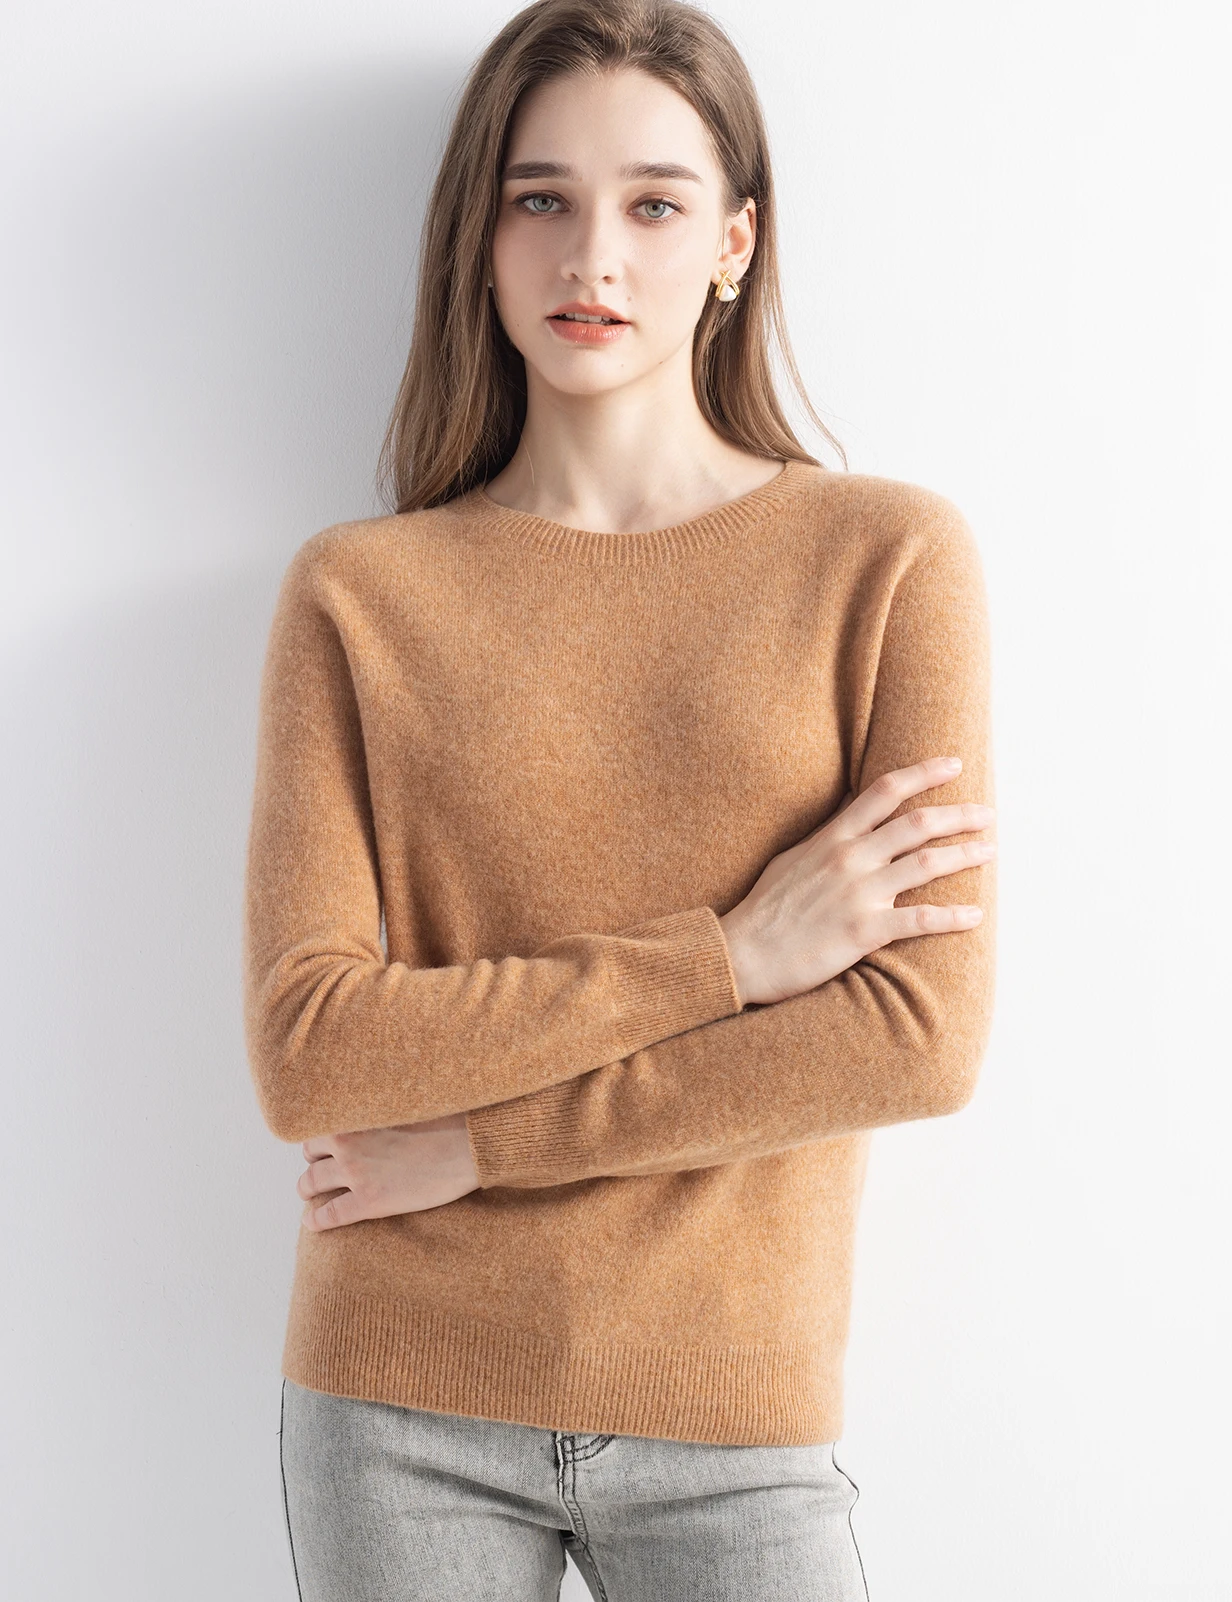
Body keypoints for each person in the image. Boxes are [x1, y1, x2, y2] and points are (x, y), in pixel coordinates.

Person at [242, 1, 998, 1597]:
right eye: (543, 198)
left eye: (654, 203)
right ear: (482, 234)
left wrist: (479, 1142)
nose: (593, 256)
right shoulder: (361, 593)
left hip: (736, 1408)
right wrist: (730, 956)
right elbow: (314, 1049)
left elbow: (913, 1037)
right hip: (397, 1398)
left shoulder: (885, 562)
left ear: (734, 243)